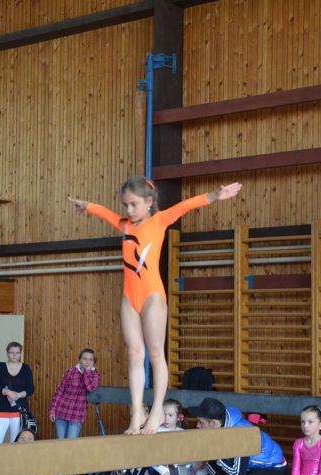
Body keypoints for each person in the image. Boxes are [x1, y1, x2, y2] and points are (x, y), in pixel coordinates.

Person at [69, 178, 242, 434]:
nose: (128, 210)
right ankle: (137, 410)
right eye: (125, 205)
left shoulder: (159, 220)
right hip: (129, 296)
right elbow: (105, 213)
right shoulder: (125, 224)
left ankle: (158, 409)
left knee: (155, 354)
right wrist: (87, 206)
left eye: (133, 204)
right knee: (134, 354)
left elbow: (185, 206)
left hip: (153, 297)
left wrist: (214, 196)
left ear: (149, 201)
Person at [49, 348, 100, 439]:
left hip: (76, 416)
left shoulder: (95, 375)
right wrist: (53, 410)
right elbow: (59, 391)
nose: (87, 362)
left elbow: (90, 389)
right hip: (61, 412)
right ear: (80, 360)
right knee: (60, 443)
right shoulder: (71, 371)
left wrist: (87, 372)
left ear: (93, 362)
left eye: (90, 359)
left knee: (71, 444)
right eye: (84, 359)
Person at [0, 341, 35, 444]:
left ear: (20, 353)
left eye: (17, 352)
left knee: (17, 441)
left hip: (20, 411)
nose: (14, 355)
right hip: (1, 409)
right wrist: (7, 392)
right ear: (7, 353)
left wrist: (19, 395)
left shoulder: (26, 368)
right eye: (12, 352)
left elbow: (30, 388)